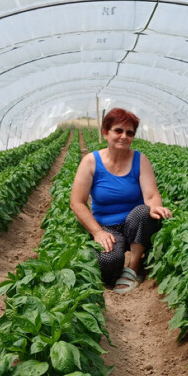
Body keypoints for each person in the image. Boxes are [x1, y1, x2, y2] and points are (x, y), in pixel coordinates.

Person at [70, 108, 172, 293]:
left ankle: (133, 268)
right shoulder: (91, 161)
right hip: (107, 228)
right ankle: (117, 266)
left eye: (130, 133)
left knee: (144, 211)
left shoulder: (140, 160)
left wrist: (156, 207)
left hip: (134, 225)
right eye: (118, 130)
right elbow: (77, 202)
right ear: (105, 132)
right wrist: (97, 232)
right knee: (107, 264)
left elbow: (151, 196)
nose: (124, 136)